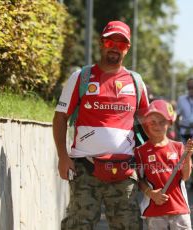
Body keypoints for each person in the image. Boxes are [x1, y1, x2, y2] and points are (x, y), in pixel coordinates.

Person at [52, 20, 149, 229]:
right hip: (85, 169)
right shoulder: (81, 77)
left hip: (124, 171)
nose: (115, 47)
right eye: (110, 41)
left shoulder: (136, 82)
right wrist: (62, 156)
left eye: (121, 43)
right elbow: (60, 118)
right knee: (79, 226)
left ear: (127, 48)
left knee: (130, 226)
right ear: (101, 43)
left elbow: (148, 124)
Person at [134, 99, 193, 229]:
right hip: (154, 210)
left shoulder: (179, 147)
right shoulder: (140, 151)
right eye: (152, 122)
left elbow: (185, 177)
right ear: (146, 123)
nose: (157, 126)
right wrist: (151, 193)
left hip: (179, 209)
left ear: (170, 122)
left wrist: (188, 155)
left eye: (162, 122)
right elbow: (139, 181)